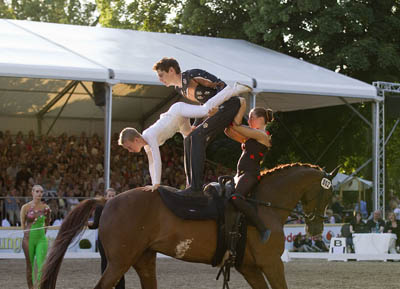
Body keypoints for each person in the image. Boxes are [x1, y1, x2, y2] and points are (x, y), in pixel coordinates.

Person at [120, 59, 250, 192]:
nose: (160, 79)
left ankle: (233, 90)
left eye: (161, 75)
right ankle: (190, 183)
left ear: (171, 70)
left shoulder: (192, 76)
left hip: (194, 109)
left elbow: (157, 160)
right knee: (189, 139)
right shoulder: (180, 89)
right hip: (179, 121)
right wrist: (154, 184)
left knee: (202, 120)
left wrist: (156, 184)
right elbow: (152, 162)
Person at [224, 105, 273, 243]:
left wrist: (236, 110)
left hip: (250, 174)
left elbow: (237, 127)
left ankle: (263, 228)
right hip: (240, 174)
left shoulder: (262, 135)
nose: (249, 120)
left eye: (252, 117)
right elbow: (229, 131)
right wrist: (225, 119)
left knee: (236, 198)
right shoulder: (252, 136)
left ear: (261, 119)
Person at [88, 188, 125, 289]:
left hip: (117, 240)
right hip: (104, 240)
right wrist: (87, 224)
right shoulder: (100, 208)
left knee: (119, 263)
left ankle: (120, 287)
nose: (112, 198)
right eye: (110, 196)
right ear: (105, 197)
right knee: (105, 262)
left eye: (113, 196)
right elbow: (96, 225)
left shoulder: (120, 209)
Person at [20, 185, 51, 289]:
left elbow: (47, 222)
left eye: (41, 192)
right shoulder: (25, 207)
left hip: (41, 239)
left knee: (42, 265)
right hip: (28, 240)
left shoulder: (46, 208)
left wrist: (43, 233)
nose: (39, 194)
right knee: (30, 266)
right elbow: (23, 225)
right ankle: (31, 287)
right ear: (32, 192)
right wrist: (27, 233)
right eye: (37, 191)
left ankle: (39, 287)